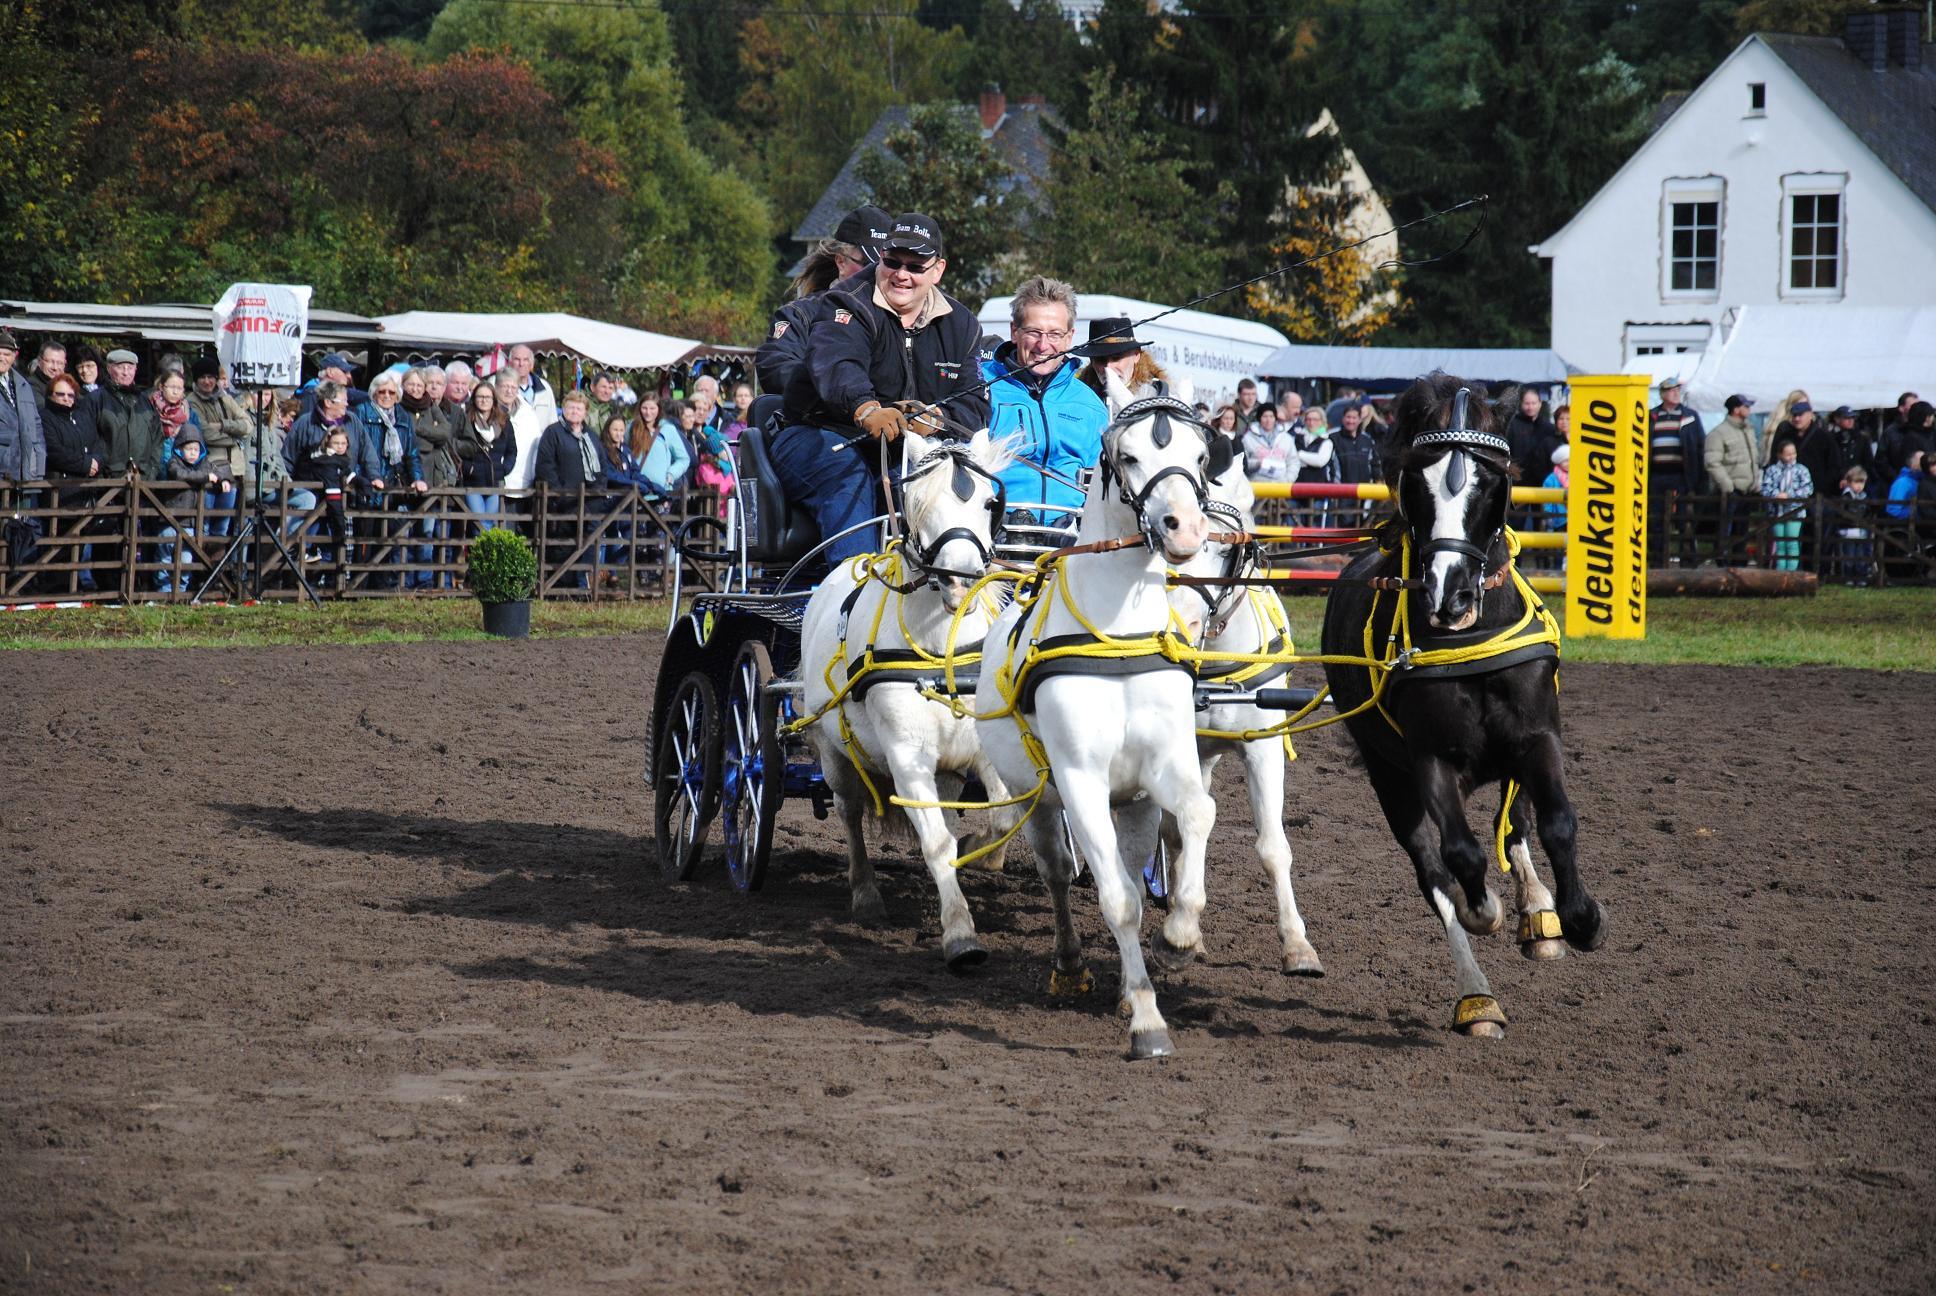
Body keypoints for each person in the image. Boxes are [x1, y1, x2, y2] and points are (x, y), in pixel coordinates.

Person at [771, 212, 990, 563]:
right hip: (819, 434)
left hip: (906, 449)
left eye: (915, 267)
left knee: (940, 480)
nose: (902, 274)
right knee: (849, 475)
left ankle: (952, 578)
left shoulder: (962, 324)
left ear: (937, 270)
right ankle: (855, 586)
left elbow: (975, 403)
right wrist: (866, 408)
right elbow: (837, 363)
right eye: (893, 262)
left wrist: (934, 418)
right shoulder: (846, 301)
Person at [978, 276, 1108, 520]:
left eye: (1055, 334)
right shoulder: (979, 387)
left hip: (1070, 535)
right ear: (1014, 332)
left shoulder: (1090, 405)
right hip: (993, 531)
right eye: (1034, 332)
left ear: (1070, 337)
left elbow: (1102, 488)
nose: (1043, 345)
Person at [756, 205, 891, 396]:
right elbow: (776, 366)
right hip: (823, 413)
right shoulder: (800, 315)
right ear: (841, 262)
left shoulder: (906, 319)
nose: (877, 273)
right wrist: (834, 385)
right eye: (869, 264)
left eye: (887, 265)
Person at [40, 373, 106, 591]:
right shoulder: (45, 417)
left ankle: (75, 586)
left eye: (70, 395)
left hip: (85, 490)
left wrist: (96, 461)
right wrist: (85, 463)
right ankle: (56, 589)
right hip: (60, 491)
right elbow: (54, 451)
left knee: (81, 540)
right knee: (59, 542)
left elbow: (97, 443)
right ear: (51, 395)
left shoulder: (82, 416)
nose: (66, 399)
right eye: (61, 394)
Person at [156, 425, 233, 593]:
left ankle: (181, 591)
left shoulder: (204, 464)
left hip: (190, 524)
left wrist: (224, 480)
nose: (192, 453)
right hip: (170, 520)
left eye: (196, 449)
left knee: (186, 561)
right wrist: (206, 477)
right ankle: (163, 592)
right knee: (165, 559)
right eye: (188, 448)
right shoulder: (173, 463)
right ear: (180, 448)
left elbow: (218, 471)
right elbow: (181, 475)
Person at [1075, 317, 1187, 416]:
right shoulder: (1077, 398)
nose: (1108, 368)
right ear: (1091, 361)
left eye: (1116, 358)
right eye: (1100, 360)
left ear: (1136, 355)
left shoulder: (1161, 399)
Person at [1648, 375, 1705, 566]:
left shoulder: (1690, 416)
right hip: (1656, 475)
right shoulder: (1651, 416)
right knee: (1656, 521)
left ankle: (1687, 562)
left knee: (1684, 520)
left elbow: (1699, 446)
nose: (1675, 393)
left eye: (1677, 390)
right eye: (1671, 391)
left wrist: (1696, 478)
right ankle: (1657, 561)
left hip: (1682, 475)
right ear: (1662, 394)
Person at [452, 381, 515, 533]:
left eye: (487, 397)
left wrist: (504, 469)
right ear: (474, 399)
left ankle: (482, 548)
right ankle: (481, 549)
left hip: (495, 481)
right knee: (479, 522)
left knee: (489, 522)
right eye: (480, 397)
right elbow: (456, 447)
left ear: (494, 399)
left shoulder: (504, 422)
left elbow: (512, 451)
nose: (484, 400)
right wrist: (468, 469)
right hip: (473, 482)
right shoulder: (466, 420)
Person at [299, 425, 359, 584]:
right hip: (318, 512)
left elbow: (348, 475)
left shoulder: (340, 462)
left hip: (325, 513)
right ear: (327, 443)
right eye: (336, 443)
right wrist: (340, 524)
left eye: (343, 443)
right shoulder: (325, 462)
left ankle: (318, 584)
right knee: (320, 547)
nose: (340, 447)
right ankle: (311, 584)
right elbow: (333, 493)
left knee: (327, 550)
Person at [95, 349, 165, 478]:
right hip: (107, 481)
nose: (126, 372)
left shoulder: (145, 402)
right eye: (120, 367)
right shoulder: (96, 400)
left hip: (143, 480)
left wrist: (151, 471)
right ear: (109, 368)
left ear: (135, 370)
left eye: (130, 368)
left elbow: (157, 439)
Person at [0, 330, 46, 486]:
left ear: (14, 356)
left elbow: (36, 425)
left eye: (7, 354)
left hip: (25, 470)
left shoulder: (23, 384)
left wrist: (39, 457)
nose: (2, 358)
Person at [1760, 439, 1812, 571]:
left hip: (1795, 511)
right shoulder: (1772, 470)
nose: (1791, 457)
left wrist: (1789, 495)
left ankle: (1791, 573)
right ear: (1780, 454)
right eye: (1787, 454)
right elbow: (1765, 488)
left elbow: (1808, 489)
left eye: (1793, 453)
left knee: (1792, 542)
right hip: (1776, 511)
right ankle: (1781, 571)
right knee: (1780, 543)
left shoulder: (1801, 470)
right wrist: (1776, 495)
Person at [630, 399, 690, 498]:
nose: (648, 412)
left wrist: (671, 474)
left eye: (652, 408)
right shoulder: (631, 427)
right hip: (635, 491)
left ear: (659, 409)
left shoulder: (668, 429)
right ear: (639, 408)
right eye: (644, 408)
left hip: (660, 492)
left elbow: (684, 459)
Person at [1505, 386, 1560, 484]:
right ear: (1521, 404)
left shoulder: (1549, 428)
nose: (1530, 407)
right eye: (1527, 403)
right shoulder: (1511, 426)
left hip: (1543, 482)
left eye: (1533, 403)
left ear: (1540, 404)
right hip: (1516, 480)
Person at [1242, 404, 1300, 483]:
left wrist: (1288, 480)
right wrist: (1257, 463)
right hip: (1257, 485)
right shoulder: (1248, 438)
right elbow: (1242, 462)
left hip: (1281, 486)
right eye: (1265, 416)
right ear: (1259, 418)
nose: (1268, 420)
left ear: (1275, 418)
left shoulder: (1286, 438)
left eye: (1271, 416)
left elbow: (1293, 462)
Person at [507, 344, 558, 429]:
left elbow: (553, 420)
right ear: (510, 363)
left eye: (525, 360)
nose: (521, 364)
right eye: (517, 359)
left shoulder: (545, 387)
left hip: (541, 438)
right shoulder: (499, 385)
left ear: (531, 364)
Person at [1836, 466, 1872, 586]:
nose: (1859, 486)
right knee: (1849, 555)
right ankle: (1849, 577)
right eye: (1856, 482)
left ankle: (1861, 577)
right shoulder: (1845, 497)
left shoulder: (1865, 497)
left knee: (1861, 555)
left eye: (1862, 483)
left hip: (1862, 532)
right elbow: (1842, 513)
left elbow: (1868, 512)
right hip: (1849, 531)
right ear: (1849, 482)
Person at [1878, 391, 1922, 476]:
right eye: (1912, 406)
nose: (1916, 409)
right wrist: (1896, 478)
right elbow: (1881, 461)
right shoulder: (1891, 432)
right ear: (1901, 408)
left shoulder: (1923, 431)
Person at [27, 340, 67, 413]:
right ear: (39, 361)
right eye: (50, 361)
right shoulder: (31, 384)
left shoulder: (67, 385)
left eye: (60, 363)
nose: (55, 367)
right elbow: (44, 411)